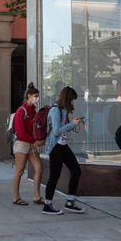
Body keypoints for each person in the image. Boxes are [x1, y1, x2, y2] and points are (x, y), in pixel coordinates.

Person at [43, 86, 85, 215]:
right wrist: (72, 124)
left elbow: (62, 128)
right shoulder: (56, 110)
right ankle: (47, 205)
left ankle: (70, 201)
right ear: (67, 98)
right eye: (72, 99)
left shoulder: (63, 110)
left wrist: (73, 123)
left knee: (76, 171)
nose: (73, 102)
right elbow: (56, 131)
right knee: (54, 176)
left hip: (63, 145)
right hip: (56, 147)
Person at [12, 82, 44, 206]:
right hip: (22, 144)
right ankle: (16, 197)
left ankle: (37, 196)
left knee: (39, 169)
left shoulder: (33, 111)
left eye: (37, 96)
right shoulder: (21, 111)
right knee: (19, 171)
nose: (37, 98)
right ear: (29, 96)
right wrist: (34, 141)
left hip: (30, 143)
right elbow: (20, 132)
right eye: (35, 96)